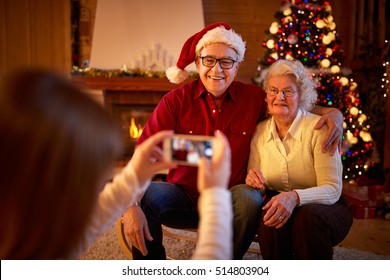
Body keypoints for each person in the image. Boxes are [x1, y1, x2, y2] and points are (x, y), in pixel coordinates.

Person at [122, 22, 344, 260]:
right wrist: (132, 206)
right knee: (147, 196)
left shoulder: (253, 98)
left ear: (237, 67)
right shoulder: (174, 101)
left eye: (226, 61)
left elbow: (287, 102)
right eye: (209, 60)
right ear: (197, 63)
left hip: (232, 204)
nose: (217, 69)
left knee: (250, 197)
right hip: (184, 199)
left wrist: (332, 113)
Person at [0, 69, 232, 260]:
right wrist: (215, 194)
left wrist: (133, 176)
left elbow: (83, 231)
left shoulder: (33, 244)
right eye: (89, 183)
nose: (93, 197)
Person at [245, 59, 353, 259]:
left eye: (288, 91)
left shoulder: (319, 129)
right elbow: (257, 184)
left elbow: (332, 189)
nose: (280, 97)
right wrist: (254, 182)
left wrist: (294, 197)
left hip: (327, 209)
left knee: (307, 218)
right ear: (266, 95)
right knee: (271, 218)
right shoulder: (259, 132)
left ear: (301, 95)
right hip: (283, 205)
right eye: (273, 90)